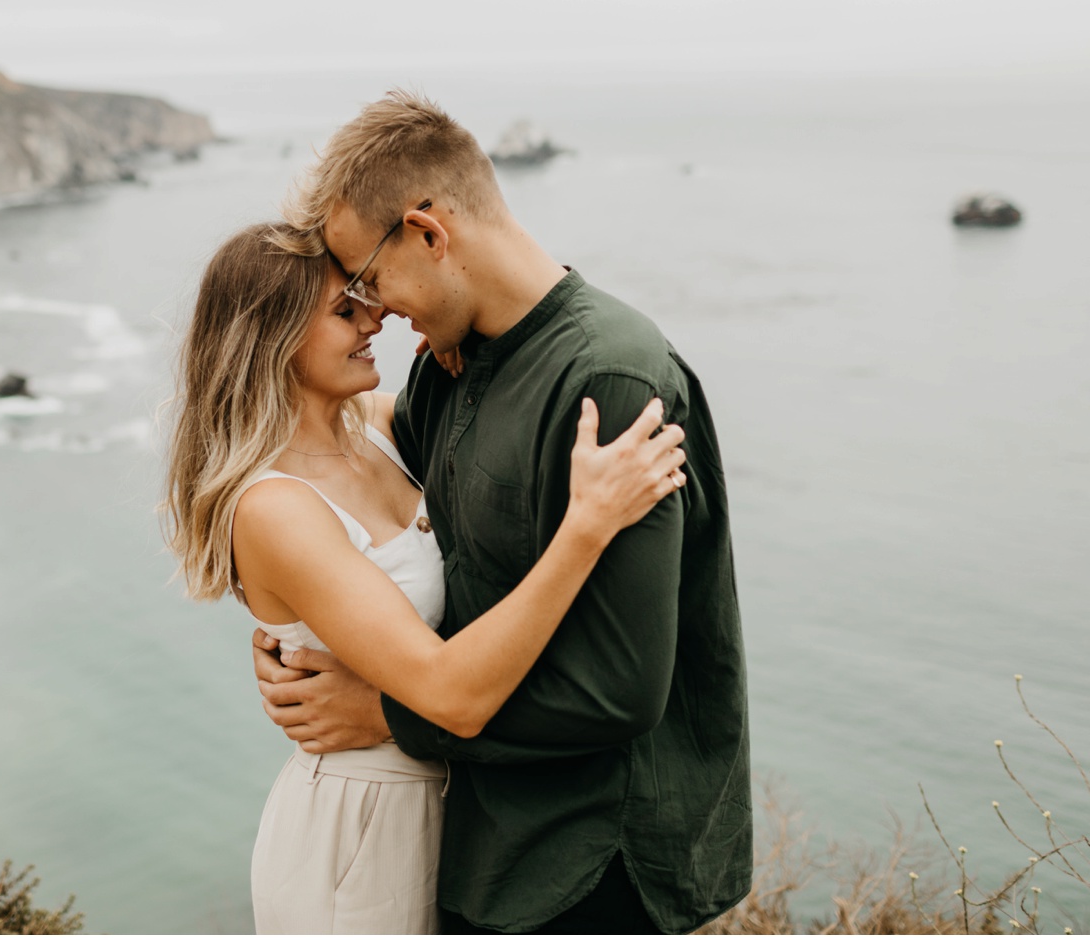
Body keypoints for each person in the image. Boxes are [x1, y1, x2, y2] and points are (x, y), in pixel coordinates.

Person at [251, 90, 751, 934]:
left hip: (593, 868)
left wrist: (382, 713)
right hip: (484, 845)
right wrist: (297, 630)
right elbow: (360, 490)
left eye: (369, 277)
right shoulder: (448, 371)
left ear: (429, 233)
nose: (375, 308)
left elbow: (620, 693)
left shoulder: (613, 381)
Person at [163, 224, 689, 934]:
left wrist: (462, 335)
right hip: (355, 838)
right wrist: (587, 525)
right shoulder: (273, 508)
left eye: (367, 301)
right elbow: (454, 696)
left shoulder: (379, 427)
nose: (375, 318)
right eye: (345, 311)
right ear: (276, 337)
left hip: (452, 817)